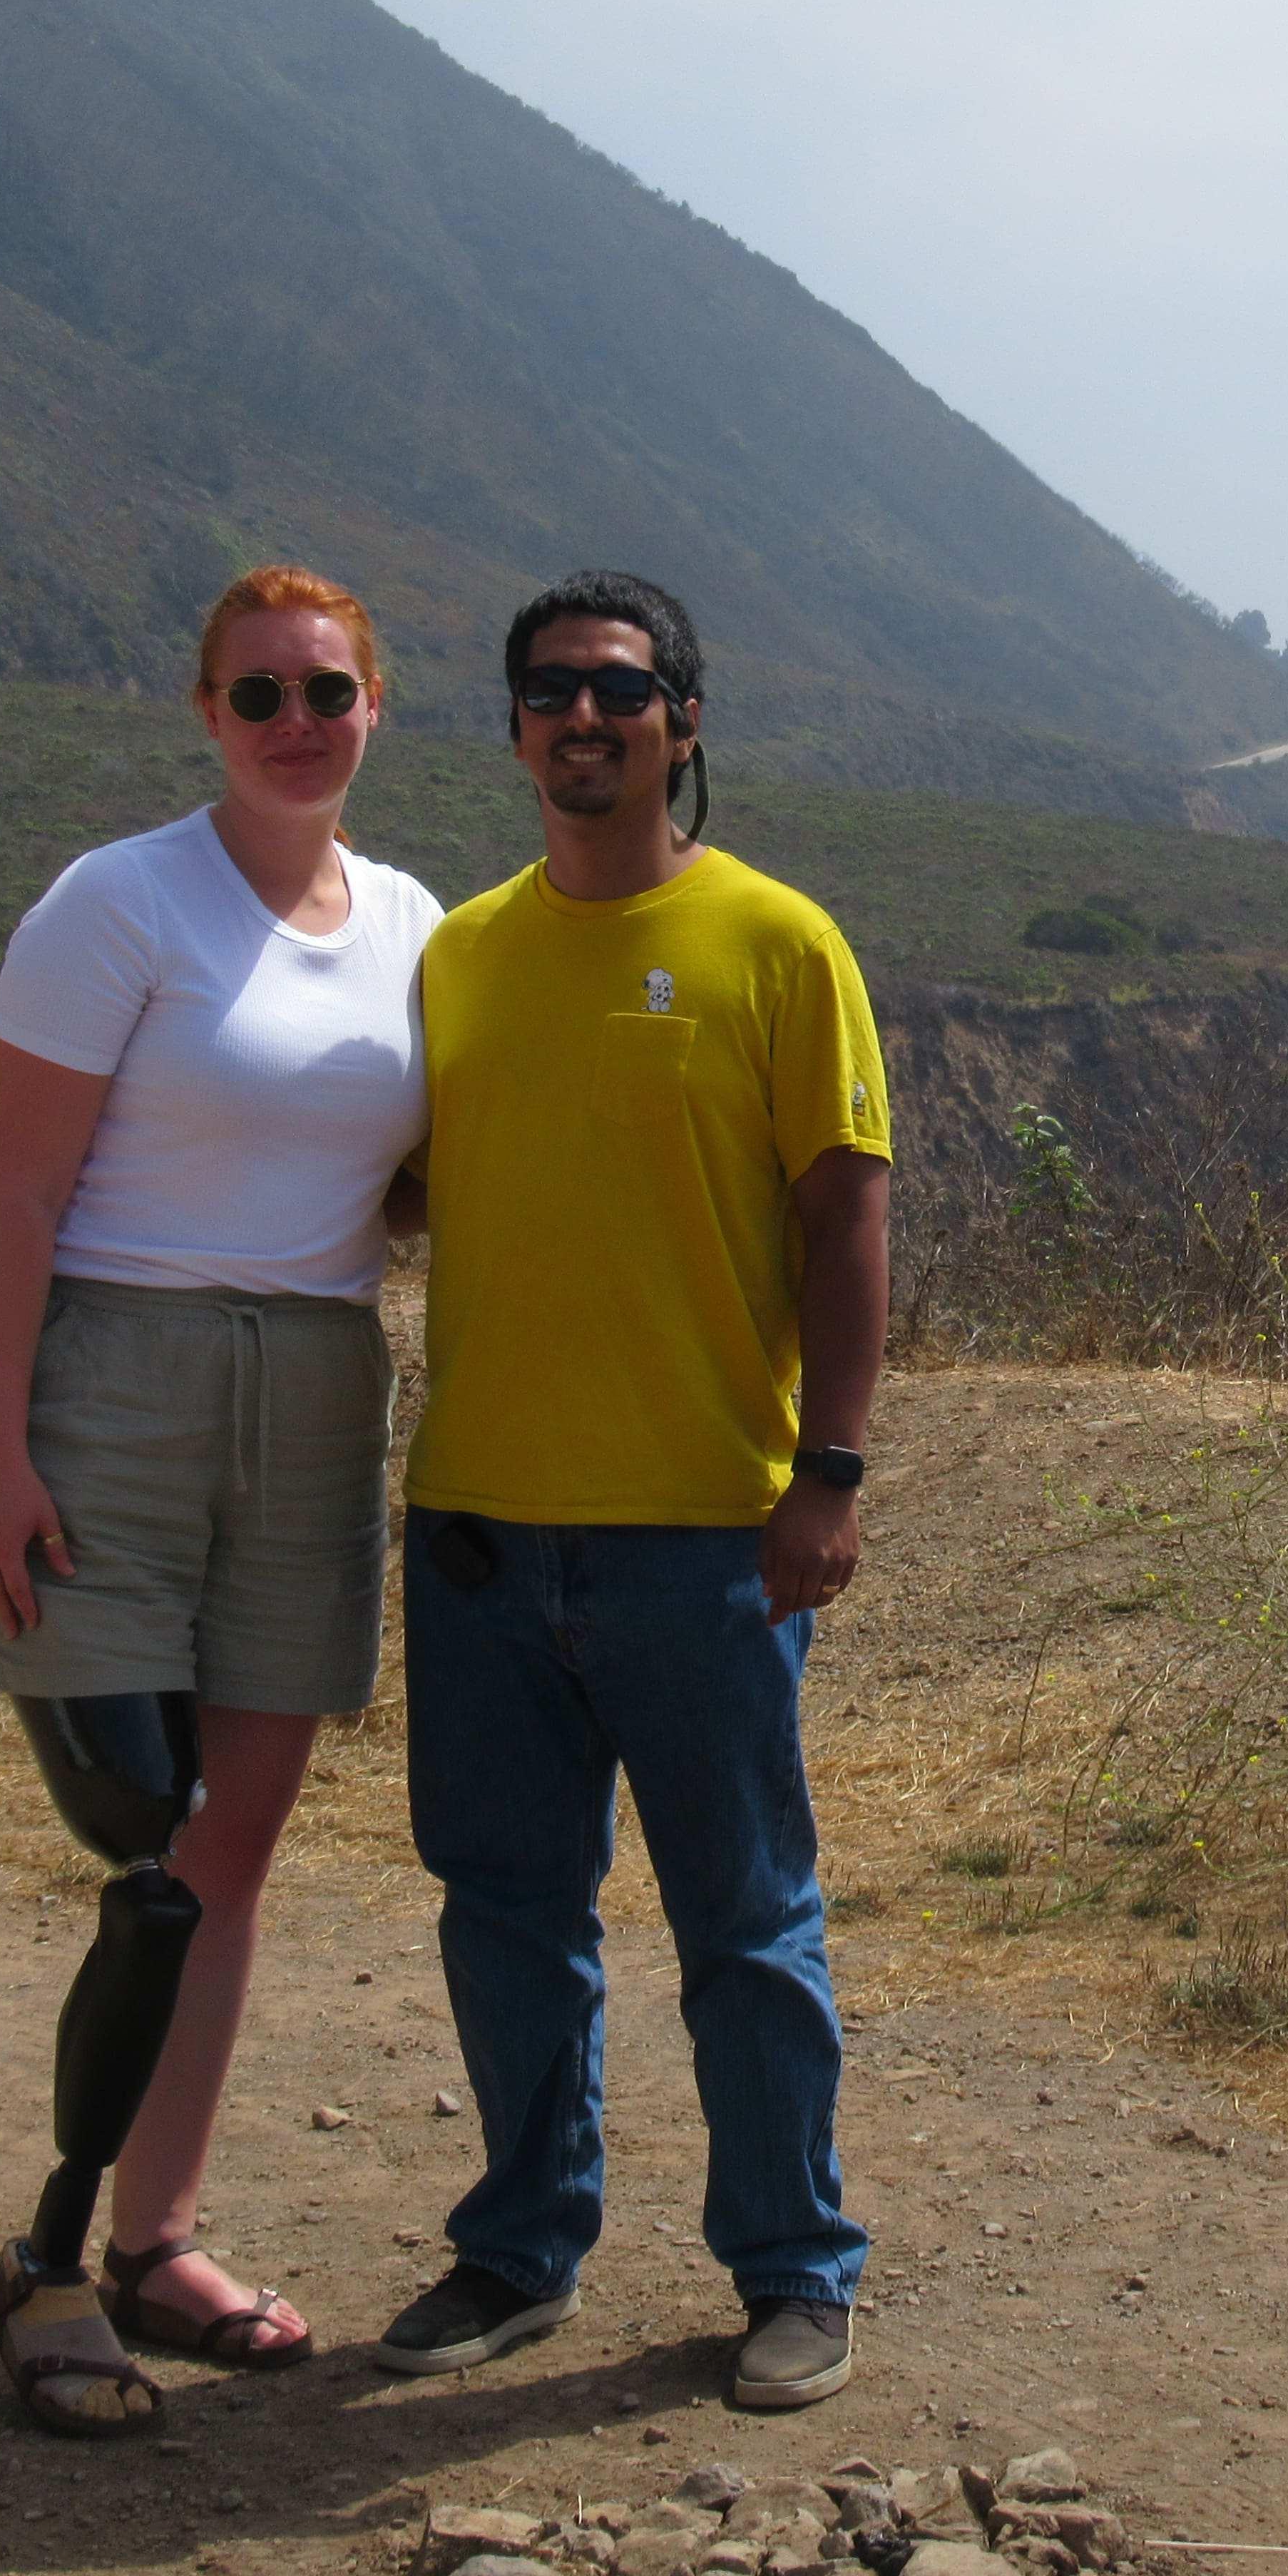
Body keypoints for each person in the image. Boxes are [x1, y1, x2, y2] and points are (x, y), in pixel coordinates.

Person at [0, 566, 440, 2436]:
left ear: (376, 705)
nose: (296, 722)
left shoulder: (408, 924)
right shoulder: (116, 903)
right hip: (103, 1390)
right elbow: (16, 1201)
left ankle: (160, 2241)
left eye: (327, 691)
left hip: (309, 1391)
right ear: (203, 714)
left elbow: (412, 1180)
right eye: (257, 696)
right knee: (148, 1837)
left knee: (233, 1850)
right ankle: (46, 2266)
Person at [375, 570, 888, 2411]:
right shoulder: (460, 953)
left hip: (706, 1541)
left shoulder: (777, 941)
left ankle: (794, 2270)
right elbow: (410, 1183)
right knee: (506, 1911)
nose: (579, 717)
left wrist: (828, 1473)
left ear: (682, 715)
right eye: (545, 691)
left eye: (615, 686)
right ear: (512, 727)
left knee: (745, 1924)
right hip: (483, 1533)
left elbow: (846, 1221)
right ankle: (520, 2249)